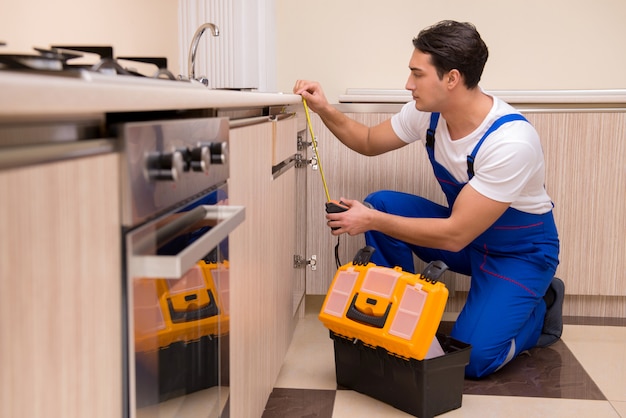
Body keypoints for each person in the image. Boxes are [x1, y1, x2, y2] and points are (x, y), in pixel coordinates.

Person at [293, 20, 563, 379]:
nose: (408, 84)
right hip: (470, 241)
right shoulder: (428, 115)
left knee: (474, 360)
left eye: (417, 74)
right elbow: (370, 142)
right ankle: (396, 318)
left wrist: (369, 221)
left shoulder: (511, 142)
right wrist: (323, 108)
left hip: (518, 254)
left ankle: (541, 308)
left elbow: (453, 235)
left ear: (451, 78)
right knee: (382, 203)